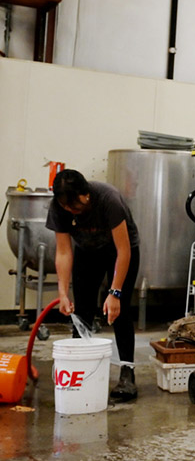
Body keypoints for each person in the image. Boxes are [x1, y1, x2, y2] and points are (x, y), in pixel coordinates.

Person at [46, 169, 141, 402]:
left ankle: (127, 373)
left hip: (119, 252)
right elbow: (64, 251)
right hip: (86, 252)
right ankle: (81, 370)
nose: (70, 211)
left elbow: (123, 250)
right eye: (66, 207)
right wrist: (62, 293)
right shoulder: (59, 206)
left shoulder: (109, 200)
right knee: (83, 310)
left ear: (85, 194)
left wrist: (115, 292)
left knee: (119, 311)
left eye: (75, 207)